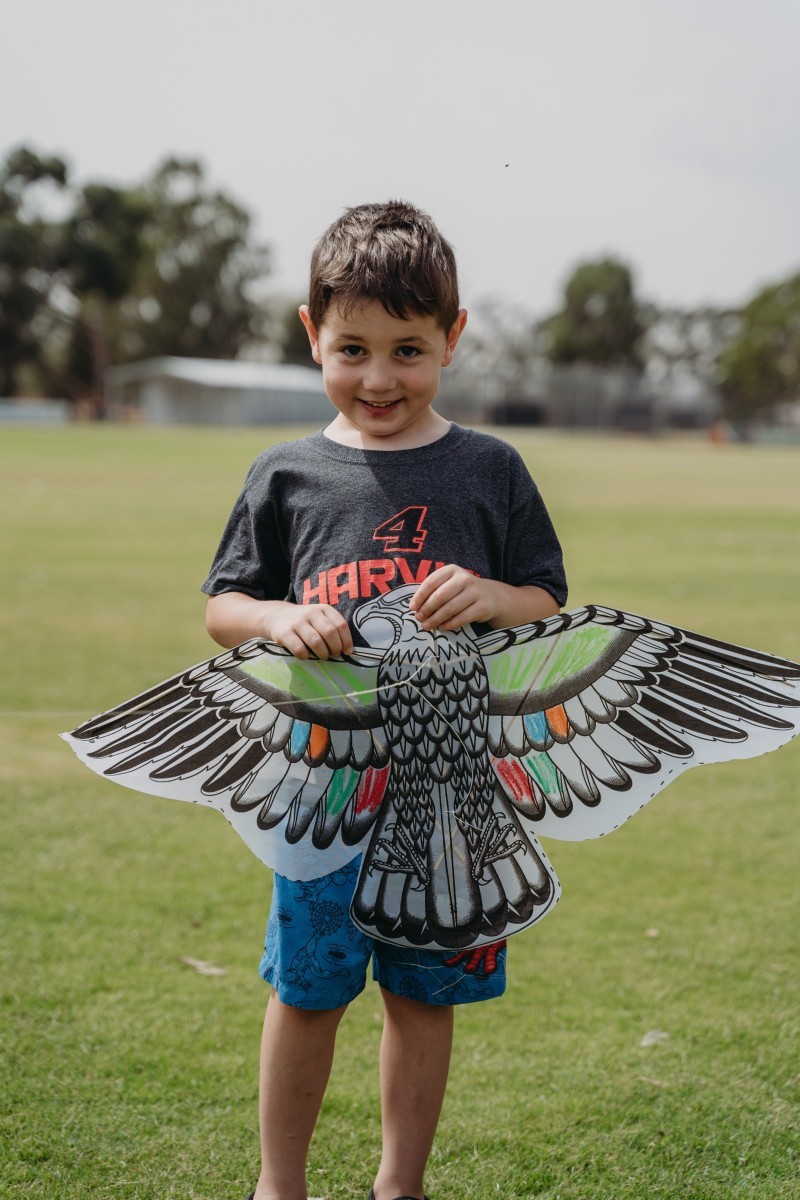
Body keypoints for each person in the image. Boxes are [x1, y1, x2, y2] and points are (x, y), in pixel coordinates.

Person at [201, 201, 568, 1200]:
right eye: (351, 348)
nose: (377, 379)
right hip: (320, 798)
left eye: (408, 350)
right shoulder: (285, 474)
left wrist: (493, 598)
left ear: (451, 338)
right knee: (306, 993)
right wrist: (278, 620)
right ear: (310, 333)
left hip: (448, 803)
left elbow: (544, 599)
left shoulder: (489, 469)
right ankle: (279, 1185)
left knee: (420, 1000)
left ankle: (397, 1185)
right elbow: (222, 609)